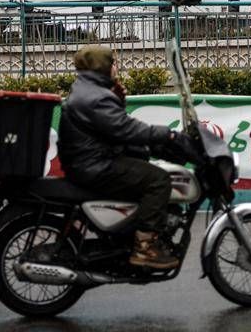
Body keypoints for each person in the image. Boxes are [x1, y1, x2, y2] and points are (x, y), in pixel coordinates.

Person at [58, 45, 194, 271]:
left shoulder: (90, 90)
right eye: (112, 63)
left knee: (141, 162)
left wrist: (118, 101)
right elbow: (126, 129)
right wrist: (167, 134)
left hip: (90, 160)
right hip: (95, 165)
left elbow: (112, 129)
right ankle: (145, 248)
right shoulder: (96, 97)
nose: (116, 67)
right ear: (101, 66)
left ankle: (129, 235)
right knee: (158, 179)